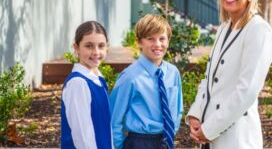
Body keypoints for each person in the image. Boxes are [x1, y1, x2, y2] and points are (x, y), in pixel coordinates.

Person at [186, 0, 272, 149]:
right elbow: (210, 78)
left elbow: (246, 92)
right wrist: (195, 113)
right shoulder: (224, 28)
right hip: (211, 136)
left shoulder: (259, 30)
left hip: (237, 140)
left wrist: (209, 129)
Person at [110, 14, 183, 149]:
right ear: (139, 42)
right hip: (139, 142)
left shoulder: (173, 73)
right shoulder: (129, 77)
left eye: (162, 38)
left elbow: (178, 109)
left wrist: (170, 133)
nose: (157, 44)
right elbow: (114, 119)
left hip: (166, 141)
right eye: (150, 39)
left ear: (168, 40)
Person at [60, 21, 113, 149]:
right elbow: (83, 137)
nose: (96, 52)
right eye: (89, 46)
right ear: (76, 48)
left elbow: (106, 127)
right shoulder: (78, 83)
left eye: (101, 46)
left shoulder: (98, 79)